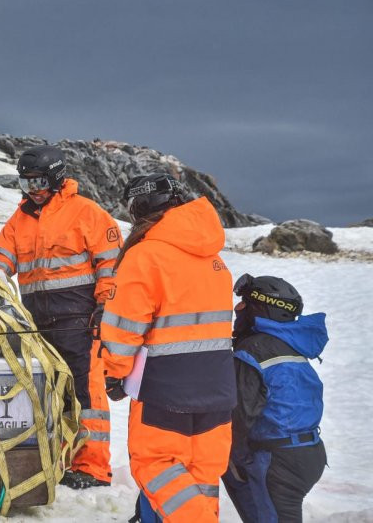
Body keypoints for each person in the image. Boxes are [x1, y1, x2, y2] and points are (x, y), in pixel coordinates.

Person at [100, 173, 236, 522]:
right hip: (218, 388)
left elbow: (122, 330)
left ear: (138, 210)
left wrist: (113, 374)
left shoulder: (145, 256)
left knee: (156, 466)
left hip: (164, 391)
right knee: (201, 475)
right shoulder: (215, 259)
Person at [0, 145, 122, 489]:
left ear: (57, 178)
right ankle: (57, 458)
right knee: (47, 392)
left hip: (80, 319)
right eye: (26, 182)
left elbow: (113, 264)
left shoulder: (86, 212)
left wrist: (105, 306)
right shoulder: (20, 220)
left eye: (39, 181)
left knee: (85, 395)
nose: (33, 189)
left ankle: (92, 466)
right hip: (36, 323)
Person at [222, 274, 328, 522]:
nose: (238, 309)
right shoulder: (291, 345)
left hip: (277, 459)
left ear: (260, 308)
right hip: (310, 452)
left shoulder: (253, 350)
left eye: (244, 303)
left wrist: (232, 457)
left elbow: (240, 413)